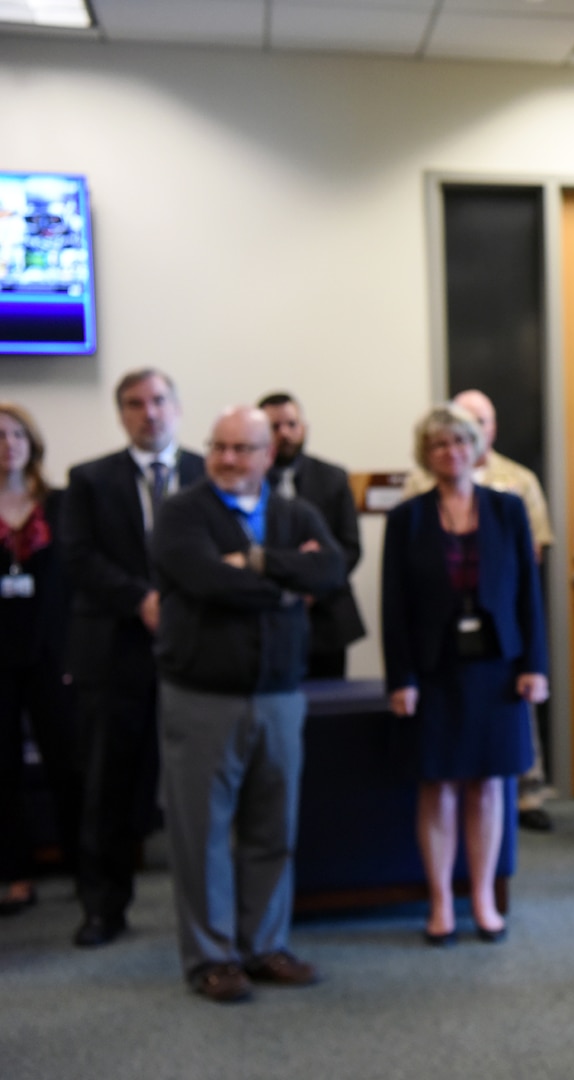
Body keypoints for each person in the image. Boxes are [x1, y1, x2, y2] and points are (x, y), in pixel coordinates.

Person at [149, 406, 344, 1003]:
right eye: (220, 447)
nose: (229, 460)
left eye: (243, 449)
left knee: (273, 827)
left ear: (268, 455)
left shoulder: (294, 512)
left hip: (280, 696)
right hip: (202, 697)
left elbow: (331, 569)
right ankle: (213, 958)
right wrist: (287, 585)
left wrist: (258, 561)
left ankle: (265, 946)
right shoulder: (183, 513)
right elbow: (206, 579)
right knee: (201, 834)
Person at [383, 404, 548, 946]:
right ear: (425, 456)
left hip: (497, 670)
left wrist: (535, 667)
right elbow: (395, 606)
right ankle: (439, 903)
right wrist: (400, 679)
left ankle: (482, 897)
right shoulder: (406, 519)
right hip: (433, 671)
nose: (449, 453)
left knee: (489, 786)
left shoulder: (507, 510)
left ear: (476, 449)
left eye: (459, 443)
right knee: (439, 787)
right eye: (438, 446)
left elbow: (529, 594)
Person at [61, 368, 206, 948]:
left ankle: (205, 911)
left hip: (197, 652)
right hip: (116, 653)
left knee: (199, 786)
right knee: (110, 785)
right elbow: (77, 558)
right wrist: (140, 599)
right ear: (121, 413)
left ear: (176, 405)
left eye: (159, 401)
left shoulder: (205, 470)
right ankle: (103, 906)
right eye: (135, 404)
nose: (149, 413)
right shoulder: (89, 479)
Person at [407, 388, 557, 833]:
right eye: (443, 439)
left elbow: (534, 551)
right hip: (441, 631)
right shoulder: (418, 488)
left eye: (476, 425)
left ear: (485, 432)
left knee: (510, 715)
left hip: (498, 622)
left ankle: (529, 792)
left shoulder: (518, 482)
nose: (454, 448)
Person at [0, 403, 79, 918]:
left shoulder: (63, 504)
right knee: (1, 768)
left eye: (16, 434)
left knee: (68, 761)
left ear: (32, 442)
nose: (8, 444)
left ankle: (83, 864)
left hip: (53, 652)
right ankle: (15, 871)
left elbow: (77, 582)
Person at [257, 392, 366, 679]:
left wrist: (312, 589)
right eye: (275, 426)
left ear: (303, 428)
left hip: (327, 618)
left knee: (329, 712)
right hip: (265, 616)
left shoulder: (333, 477)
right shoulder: (249, 481)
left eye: (291, 424)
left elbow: (351, 548)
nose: (285, 434)